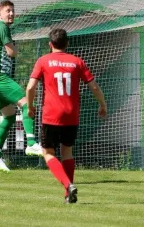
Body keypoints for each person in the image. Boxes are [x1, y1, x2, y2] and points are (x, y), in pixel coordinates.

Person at [25, 28, 107, 204]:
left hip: (51, 115)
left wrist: (30, 107)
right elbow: (94, 86)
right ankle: (67, 195)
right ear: (67, 43)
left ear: (50, 44)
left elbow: (30, 87)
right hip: (71, 115)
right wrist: (102, 104)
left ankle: (68, 185)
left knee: (48, 153)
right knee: (67, 152)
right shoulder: (77, 61)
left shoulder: (43, 60)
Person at [0, 0, 43, 172]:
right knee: (27, 103)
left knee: (10, 116)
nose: (11, 14)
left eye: (12, 11)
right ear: (0, 14)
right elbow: (11, 52)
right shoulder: (2, 27)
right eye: (7, 11)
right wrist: (15, 50)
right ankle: (32, 143)